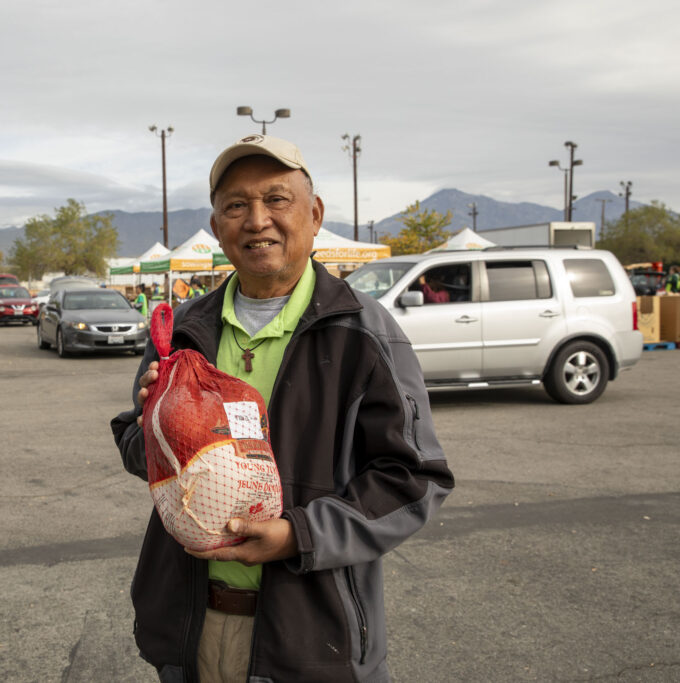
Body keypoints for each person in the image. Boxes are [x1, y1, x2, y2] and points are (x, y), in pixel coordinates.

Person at [111, 134, 454, 682]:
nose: (256, 219)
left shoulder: (363, 334)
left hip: (312, 640)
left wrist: (299, 534)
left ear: (313, 215)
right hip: (192, 626)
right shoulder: (182, 332)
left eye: (276, 199)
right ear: (218, 224)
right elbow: (137, 451)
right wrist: (152, 427)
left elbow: (413, 478)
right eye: (236, 205)